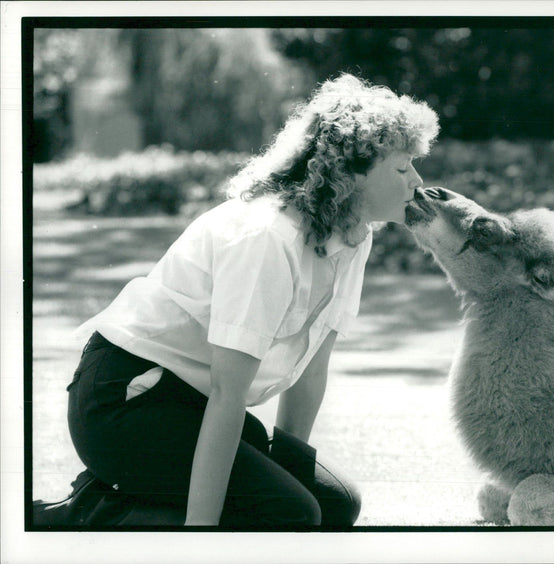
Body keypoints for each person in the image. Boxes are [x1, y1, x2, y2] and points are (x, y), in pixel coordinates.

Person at [62, 73, 439, 528]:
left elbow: (311, 371)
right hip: (126, 403)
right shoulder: (267, 237)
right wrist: (203, 539)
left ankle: (141, 494)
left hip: (190, 403)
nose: (417, 181)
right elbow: (227, 393)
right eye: (402, 168)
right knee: (289, 514)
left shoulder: (354, 235)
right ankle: (94, 511)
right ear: (350, 174)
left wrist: (296, 478)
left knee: (332, 507)